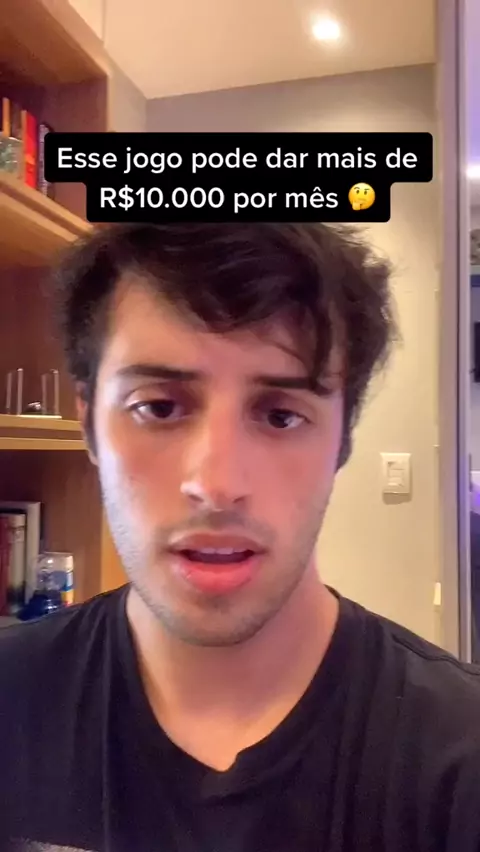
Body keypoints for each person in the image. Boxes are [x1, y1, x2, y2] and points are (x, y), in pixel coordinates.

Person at [1, 222, 479, 852]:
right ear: (89, 426)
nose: (217, 484)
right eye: (159, 408)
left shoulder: (461, 756)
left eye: (281, 415)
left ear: (342, 441)